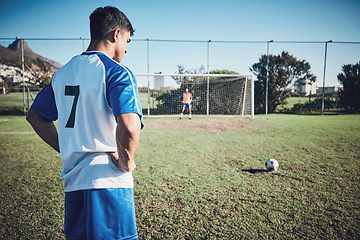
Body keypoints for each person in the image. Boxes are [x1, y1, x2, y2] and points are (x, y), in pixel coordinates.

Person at [26, 6, 143, 240]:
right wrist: (126, 161)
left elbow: (36, 116)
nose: (127, 49)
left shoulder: (63, 73)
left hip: (73, 183)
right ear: (116, 34)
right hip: (109, 182)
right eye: (127, 41)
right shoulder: (117, 72)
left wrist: (67, 146)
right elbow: (129, 126)